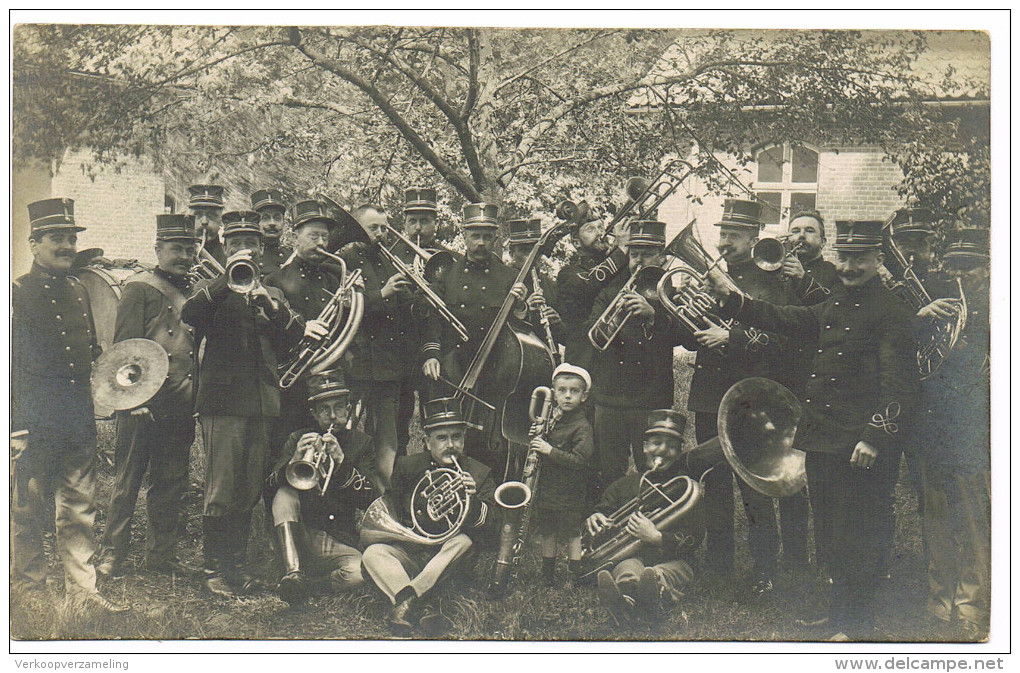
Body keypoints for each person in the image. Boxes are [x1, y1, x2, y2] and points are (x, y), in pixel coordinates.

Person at [707, 218, 919, 640]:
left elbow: (902, 386)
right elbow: (790, 318)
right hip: (823, 437)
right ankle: (841, 612)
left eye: (859, 259)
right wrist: (735, 302)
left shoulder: (891, 310)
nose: (848, 267)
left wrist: (875, 437)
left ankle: (857, 622)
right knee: (830, 531)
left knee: (861, 531)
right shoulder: (839, 299)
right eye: (844, 258)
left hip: (860, 443)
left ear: (877, 259)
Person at [182, 209, 322, 598]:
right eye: (236, 244)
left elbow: (296, 338)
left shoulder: (272, 293)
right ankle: (213, 570)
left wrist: (271, 307)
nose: (244, 250)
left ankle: (236, 566)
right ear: (225, 248)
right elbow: (189, 314)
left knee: (247, 488)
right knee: (222, 488)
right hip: (223, 404)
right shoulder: (211, 289)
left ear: (261, 250)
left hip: (262, 403)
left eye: (251, 245)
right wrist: (227, 282)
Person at [12, 198, 129, 612]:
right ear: (33, 243)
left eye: (70, 238)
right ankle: (31, 590)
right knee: (27, 508)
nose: (66, 246)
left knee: (80, 508)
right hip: (34, 420)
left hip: (77, 418)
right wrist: (15, 425)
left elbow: (92, 355)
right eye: (56, 238)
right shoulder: (16, 295)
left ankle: (83, 591)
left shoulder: (79, 288)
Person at [681, 198, 803, 592]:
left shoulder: (772, 283)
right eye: (721, 234)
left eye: (732, 235)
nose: (722, 243)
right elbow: (687, 335)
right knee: (712, 483)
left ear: (754, 237)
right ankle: (719, 566)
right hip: (709, 393)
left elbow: (784, 341)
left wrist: (729, 337)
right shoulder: (710, 276)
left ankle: (765, 568)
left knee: (754, 487)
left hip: (750, 396)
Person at [95, 214, 201, 579]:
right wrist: (133, 401)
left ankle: (162, 555)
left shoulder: (196, 290)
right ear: (158, 250)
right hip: (142, 404)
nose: (184, 256)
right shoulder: (139, 288)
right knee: (127, 481)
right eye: (176, 249)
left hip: (180, 402)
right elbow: (124, 350)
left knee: (171, 482)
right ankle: (112, 554)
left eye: (190, 249)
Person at [361, 397, 496, 637]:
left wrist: (472, 502)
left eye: (456, 437)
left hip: (447, 558)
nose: (450, 445)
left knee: (463, 541)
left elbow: (492, 529)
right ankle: (422, 603)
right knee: (373, 553)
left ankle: (407, 601)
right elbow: (392, 508)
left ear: (464, 439)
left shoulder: (478, 473)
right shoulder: (407, 466)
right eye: (442, 438)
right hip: (412, 550)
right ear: (427, 442)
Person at [914, 225, 990, 638]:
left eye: (971, 268)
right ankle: (940, 597)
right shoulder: (936, 306)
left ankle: (971, 602)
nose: (962, 277)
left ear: (987, 268)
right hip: (933, 423)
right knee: (936, 515)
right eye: (955, 269)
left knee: (975, 517)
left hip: (974, 426)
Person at [420, 203, 528, 467]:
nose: (480, 242)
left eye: (487, 237)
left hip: (496, 369)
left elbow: (524, 328)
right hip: (454, 366)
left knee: (491, 444)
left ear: (495, 238)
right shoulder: (447, 274)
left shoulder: (511, 277)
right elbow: (434, 316)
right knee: (450, 433)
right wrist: (432, 354)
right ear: (465, 235)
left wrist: (522, 306)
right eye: (475, 236)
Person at [266, 368, 381, 605]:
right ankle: (293, 571)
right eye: (324, 409)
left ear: (348, 410)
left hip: (336, 537)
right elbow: (268, 490)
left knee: (359, 573)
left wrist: (341, 465)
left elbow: (370, 498)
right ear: (313, 413)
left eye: (339, 407)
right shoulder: (298, 437)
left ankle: (307, 586)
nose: (332, 416)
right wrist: (294, 459)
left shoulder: (362, 443)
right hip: (299, 531)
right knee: (285, 492)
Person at [586, 219, 685, 491]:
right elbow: (592, 335)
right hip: (609, 397)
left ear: (662, 257)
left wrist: (654, 316)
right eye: (634, 253)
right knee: (610, 472)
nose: (639, 260)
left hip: (650, 398)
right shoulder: (609, 294)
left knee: (653, 470)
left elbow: (687, 339)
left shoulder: (673, 297)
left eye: (647, 253)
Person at [586, 409, 704, 624]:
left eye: (671, 446)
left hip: (674, 560)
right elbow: (604, 510)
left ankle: (645, 596)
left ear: (679, 452)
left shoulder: (682, 488)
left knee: (661, 573)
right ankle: (629, 598)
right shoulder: (623, 486)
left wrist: (656, 537)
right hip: (632, 557)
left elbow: (695, 536)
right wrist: (596, 516)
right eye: (656, 443)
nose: (662, 450)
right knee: (627, 568)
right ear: (644, 447)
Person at [339, 204, 417, 486]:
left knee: (388, 439)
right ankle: (343, 494)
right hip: (355, 364)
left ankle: (382, 500)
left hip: (387, 367)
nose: (381, 234)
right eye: (374, 228)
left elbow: (405, 313)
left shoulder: (389, 260)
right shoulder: (343, 259)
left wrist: (413, 291)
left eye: (385, 227)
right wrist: (381, 293)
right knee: (344, 433)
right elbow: (342, 306)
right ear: (358, 228)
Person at [265, 199, 344, 448]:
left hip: (330, 379)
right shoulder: (275, 279)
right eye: (313, 236)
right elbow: (271, 331)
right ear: (295, 236)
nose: (321, 243)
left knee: (331, 441)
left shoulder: (335, 277)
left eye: (324, 237)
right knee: (289, 442)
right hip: (294, 380)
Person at [393, 187, 449, 455]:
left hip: (435, 351)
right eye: (412, 221)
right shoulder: (390, 256)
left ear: (435, 224)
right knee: (395, 420)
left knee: (436, 416)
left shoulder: (447, 260)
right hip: (397, 350)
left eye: (425, 221)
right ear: (403, 223)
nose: (418, 227)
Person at [528, 363, 595, 586]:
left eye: (574, 391)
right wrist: (538, 436)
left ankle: (575, 576)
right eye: (562, 390)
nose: (567, 396)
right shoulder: (553, 418)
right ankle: (547, 577)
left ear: (584, 396)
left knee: (572, 534)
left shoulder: (582, 426)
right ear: (554, 392)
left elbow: (579, 461)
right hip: (548, 487)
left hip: (570, 490)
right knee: (548, 531)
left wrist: (549, 450)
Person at [555, 212, 628, 373]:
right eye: (590, 229)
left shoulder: (617, 265)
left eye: (601, 226)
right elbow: (591, 283)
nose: (600, 232)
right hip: (585, 358)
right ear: (576, 241)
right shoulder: (568, 273)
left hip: (616, 357)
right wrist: (621, 250)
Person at [507, 218, 563, 354]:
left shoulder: (550, 284)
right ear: (511, 253)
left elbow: (566, 338)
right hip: (516, 360)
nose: (531, 257)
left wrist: (558, 324)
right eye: (524, 251)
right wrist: (525, 312)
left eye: (535, 250)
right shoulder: (503, 281)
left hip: (547, 360)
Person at [251, 188, 293, 277]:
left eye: (277, 218)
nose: (272, 223)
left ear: (284, 223)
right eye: (265, 218)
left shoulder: (291, 257)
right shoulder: (248, 257)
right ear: (255, 223)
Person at [188, 183, 226, 266]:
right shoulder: (181, 259)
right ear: (189, 219)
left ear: (220, 220)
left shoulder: (229, 260)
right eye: (198, 214)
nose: (204, 221)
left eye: (211, 215)